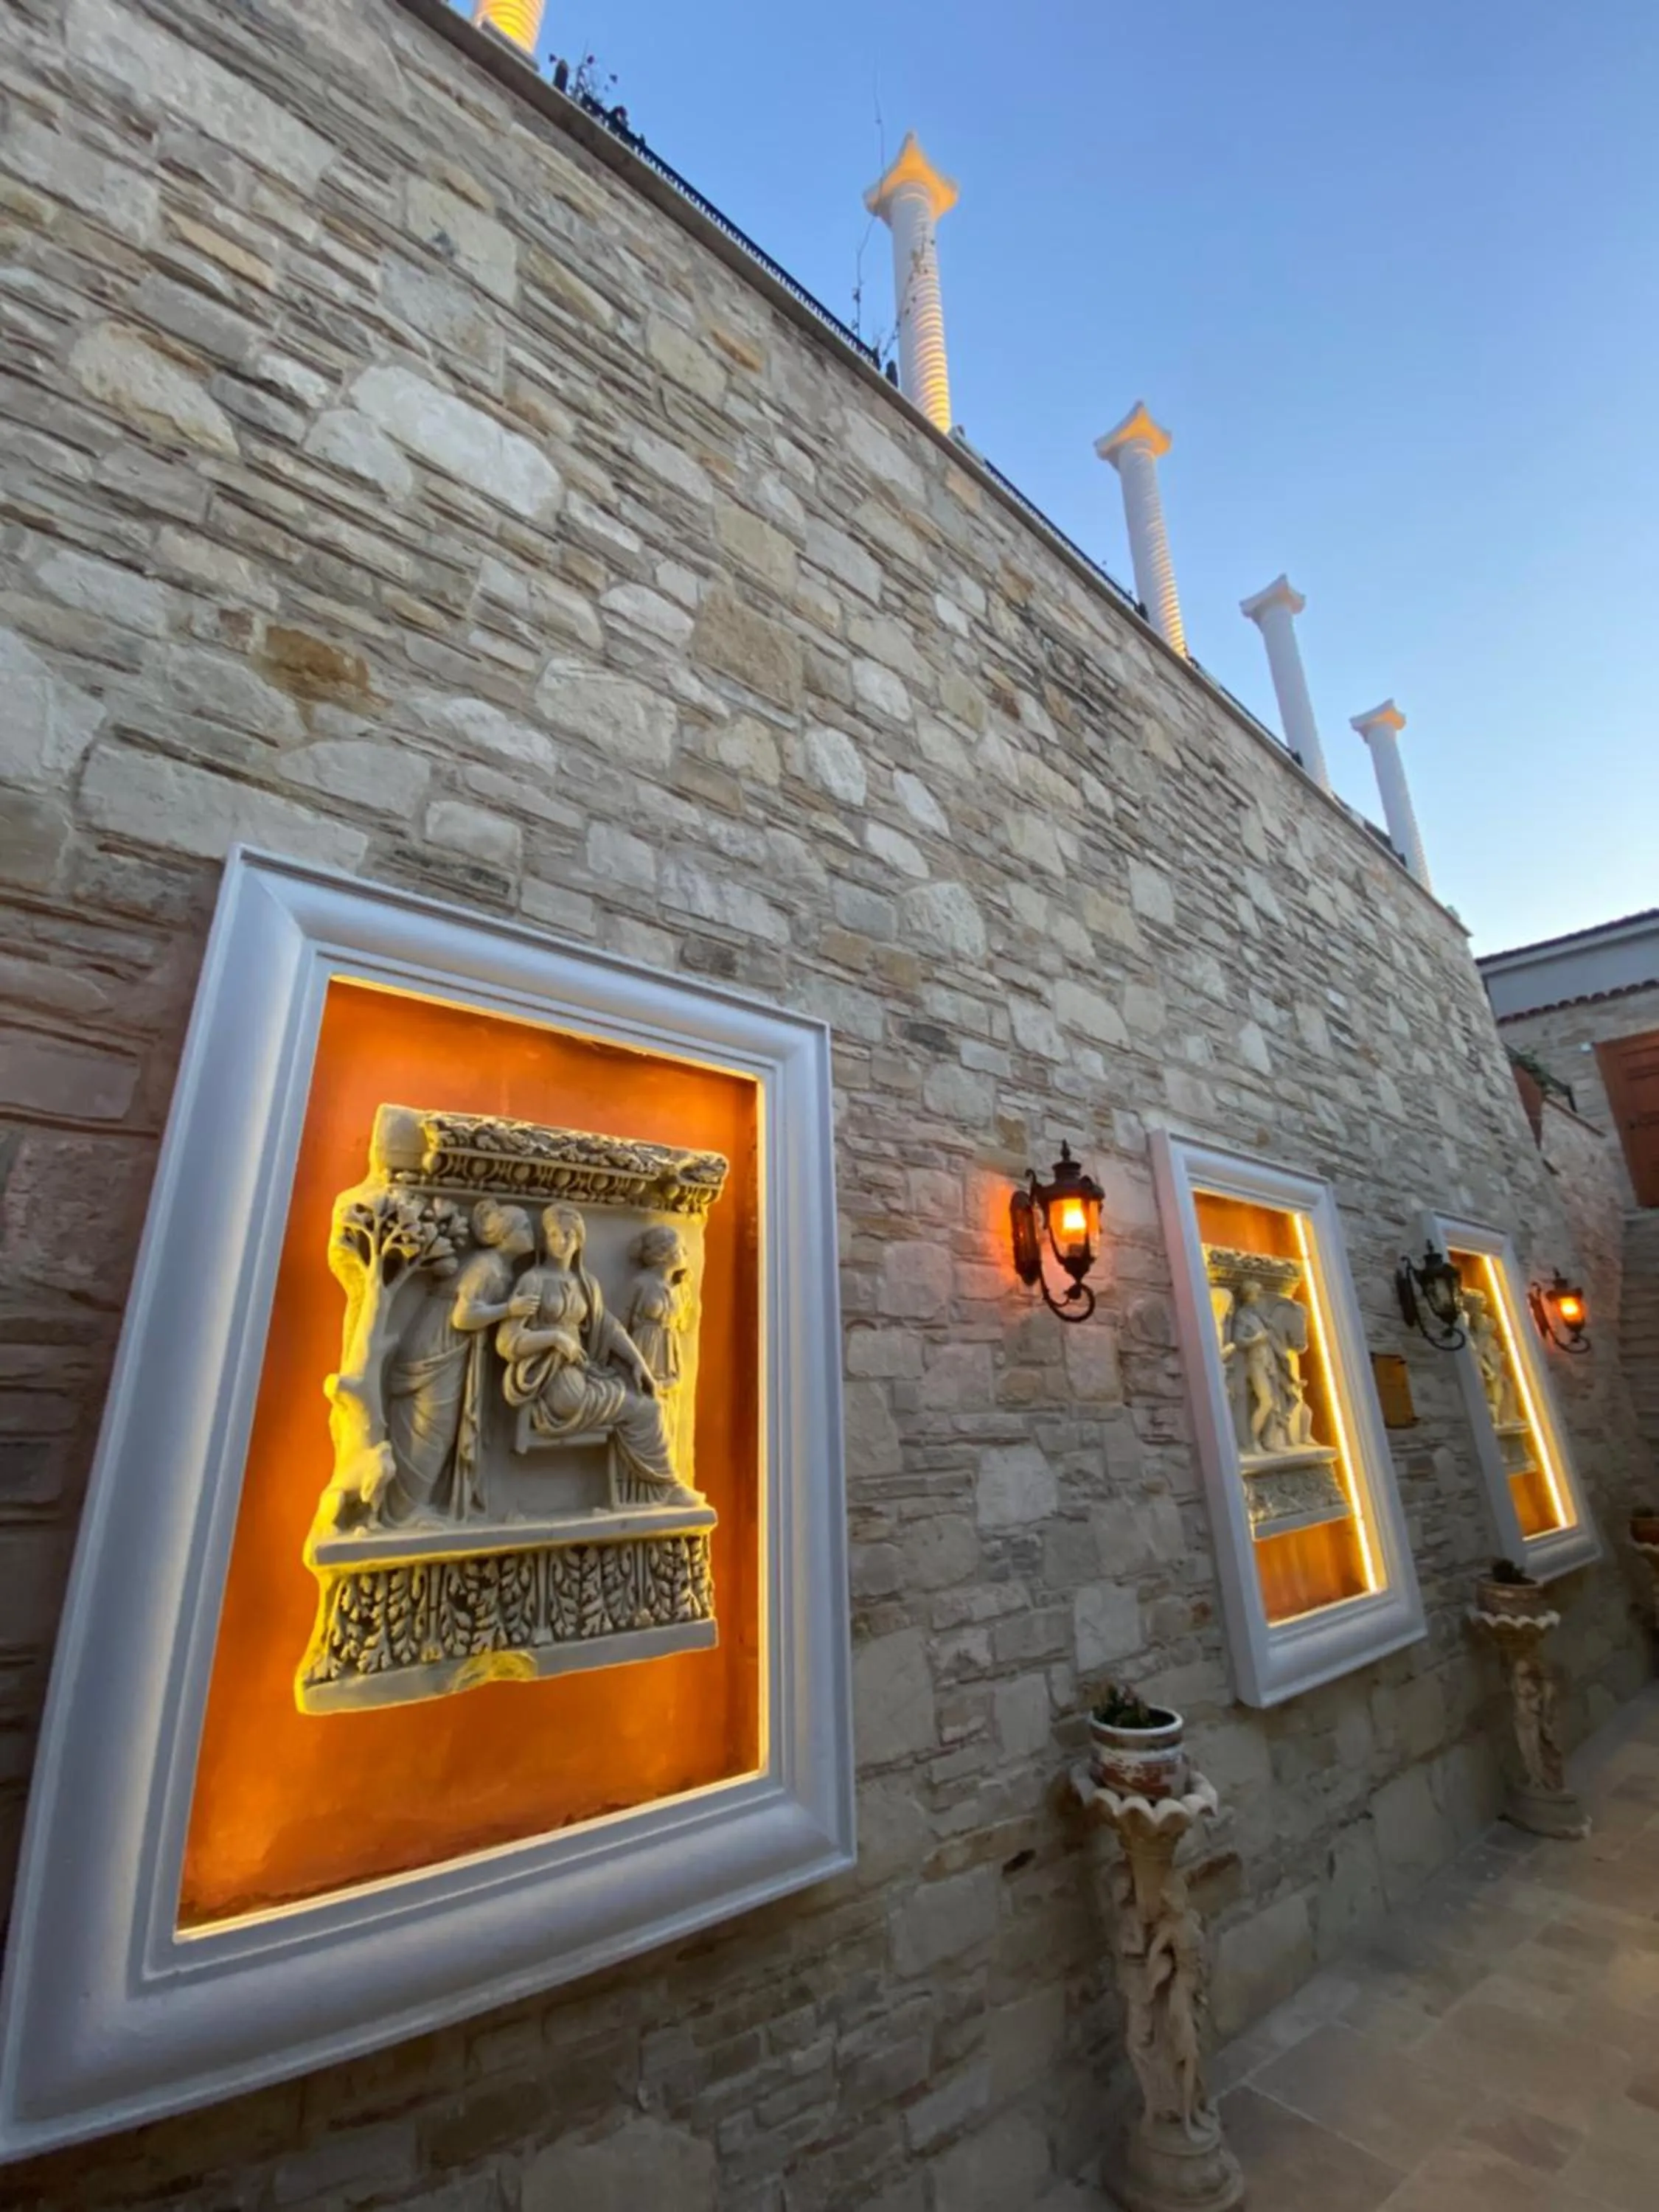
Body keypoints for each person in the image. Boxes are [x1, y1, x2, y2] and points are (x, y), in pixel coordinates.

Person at [498, 1203, 698, 1505]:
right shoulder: (533, 1281)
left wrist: (638, 1363)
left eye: (569, 1235)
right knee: (638, 1409)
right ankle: (665, 1487)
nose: (561, 1242)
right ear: (545, 1239)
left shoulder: (586, 1284)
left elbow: (610, 1328)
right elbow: (507, 1341)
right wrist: (553, 1338)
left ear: (580, 1240)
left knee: (648, 1408)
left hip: (584, 1374)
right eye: (554, 1235)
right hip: (554, 1384)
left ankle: (660, 1489)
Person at [380, 1200, 538, 1524]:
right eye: (523, 1226)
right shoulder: (487, 1267)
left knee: (438, 1432)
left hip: (444, 1348)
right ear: (504, 1234)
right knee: (431, 1431)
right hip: (436, 1349)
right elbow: (463, 1317)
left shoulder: (497, 1266)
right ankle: (402, 1514)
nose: (531, 1232)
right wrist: (510, 1310)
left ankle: (409, 1509)